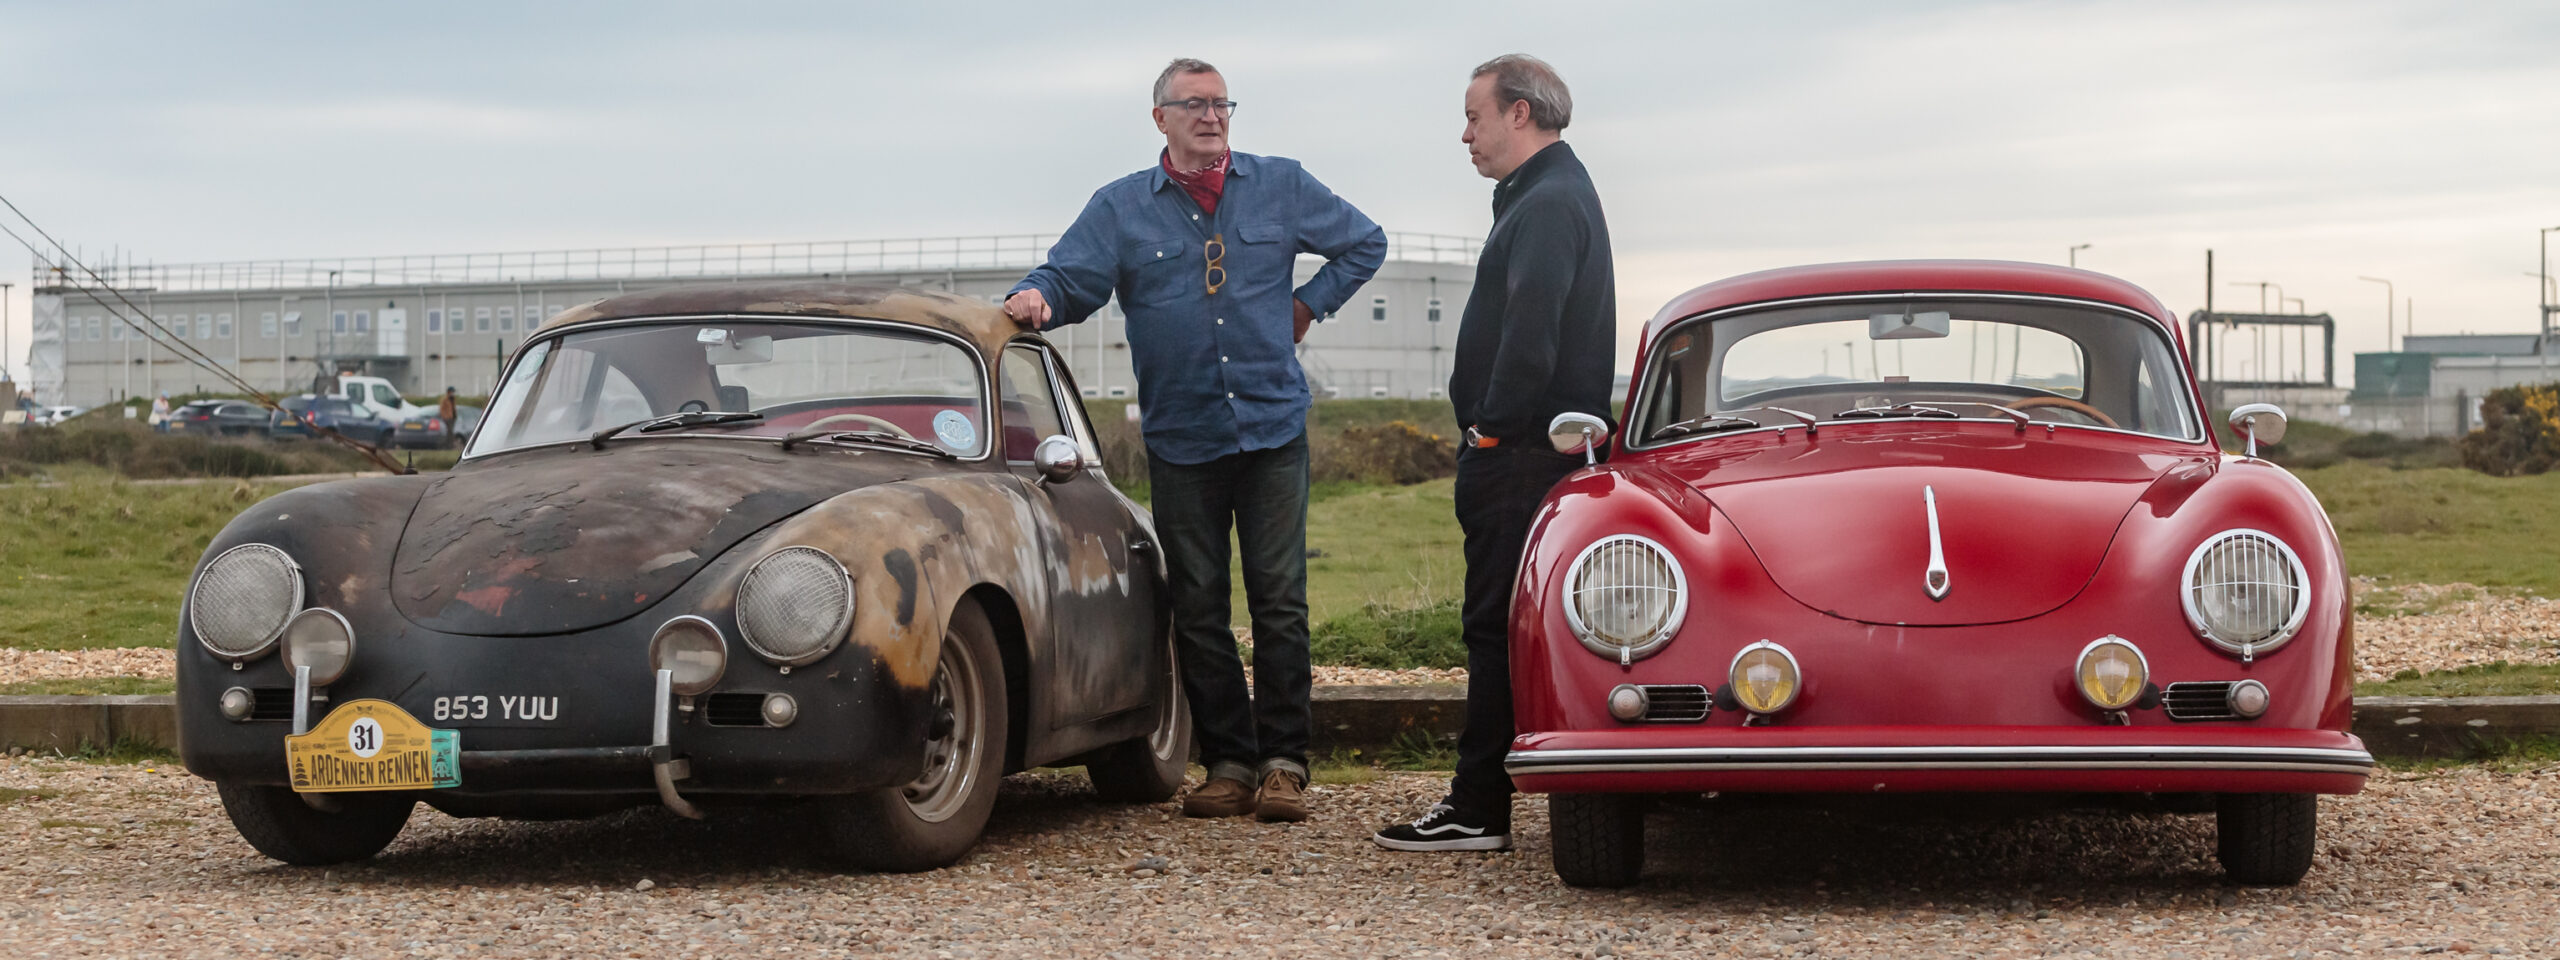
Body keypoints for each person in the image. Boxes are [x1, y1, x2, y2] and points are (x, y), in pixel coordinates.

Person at [1006, 57, 1386, 823]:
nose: (1212, 117)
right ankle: (1229, 763)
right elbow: (1070, 276)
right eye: (1195, 105)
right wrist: (1036, 297)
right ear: (1161, 119)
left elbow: (1364, 243)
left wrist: (1310, 304)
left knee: (1280, 600)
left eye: (1221, 104)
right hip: (1184, 437)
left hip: (1272, 428)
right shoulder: (1119, 208)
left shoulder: (1281, 184)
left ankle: (1284, 763)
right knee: (1201, 606)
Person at [1375, 54, 1616, 851]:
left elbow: (1530, 337)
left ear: (1521, 113)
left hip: (1518, 452)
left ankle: (1478, 807)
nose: (1466, 134)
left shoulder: (1546, 202)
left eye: (1474, 116)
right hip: (1525, 447)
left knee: (1492, 627)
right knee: (1503, 625)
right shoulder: (1545, 193)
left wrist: (1489, 428)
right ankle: (1487, 795)